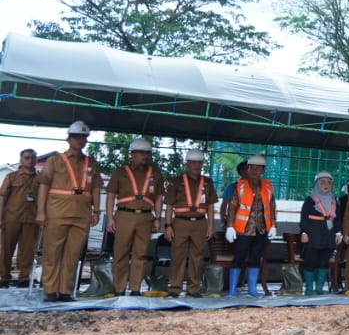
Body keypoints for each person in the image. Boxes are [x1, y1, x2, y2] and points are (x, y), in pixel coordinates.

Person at [35, 121, 102, 302]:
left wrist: (97, 211)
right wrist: (41, 212)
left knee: (72, 254)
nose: (81, 141)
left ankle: (65, 291)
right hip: (57, 213)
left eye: (84, 138)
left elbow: (96, 188)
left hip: (81, 214)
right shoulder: (55, 161)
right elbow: (43, 185)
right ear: (68, 139)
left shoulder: (91, 162)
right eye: (77, 137)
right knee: (52, 252)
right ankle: (50, 290)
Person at [105, 137, 164, 296]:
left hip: (145, 217)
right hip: (124, 215)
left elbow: (159, 197)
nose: (145, 156)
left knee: (141, 253)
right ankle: (119, 287)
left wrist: (158, 217)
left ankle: (135, 288)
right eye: (141, 153)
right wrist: (110, 218)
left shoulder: (155, 173)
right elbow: (110, 195)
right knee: (120, 252)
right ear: (132, 154)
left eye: (147, 153)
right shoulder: (120, 172)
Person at [162, 149, 216, 297]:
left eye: (199, 163)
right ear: (187, 164)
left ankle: (193, 289)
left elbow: (211, 206)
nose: (196, 166)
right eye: (193, 162)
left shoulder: (208, 182)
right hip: (180, 222)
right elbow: (169, 206)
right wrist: (167, 226)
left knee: (197, 257)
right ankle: (174, 288)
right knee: (178, 255)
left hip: (200, 223)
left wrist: (211, 226)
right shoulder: (177, 181)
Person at [225, 154, 277, 297]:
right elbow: (232, 206)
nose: (255, 170)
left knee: (255, 258)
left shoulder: (267, 186)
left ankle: (252, 289)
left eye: (258, 168)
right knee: (238, 258)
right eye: (252, 167)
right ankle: (232, 290)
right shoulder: (240, 186)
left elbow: (272, 206)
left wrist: (273, 225)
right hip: (243, 230)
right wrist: (230, 226)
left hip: (261, 229)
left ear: (263, 170)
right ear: (247, 169)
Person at [0, 148, 40, 288]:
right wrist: (0, 217)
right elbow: (2, 197)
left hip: (32, 220)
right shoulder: (11, 177)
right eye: (27, 157)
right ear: (21, 159)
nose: (30, 160)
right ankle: (4, 277)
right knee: (6, 249)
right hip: (12, 218)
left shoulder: (40, 178)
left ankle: (23, 278)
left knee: (27, 251)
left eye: (33, 157)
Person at [298, 171, 340, 296]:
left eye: (328, 183)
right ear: (317, 184)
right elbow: (304, 217)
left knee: (324, 262)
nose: (326, 185)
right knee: (310, 261)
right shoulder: (310, 200)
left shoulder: (334, 201)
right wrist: (304, 231)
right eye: (322, 182)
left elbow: (338, 219)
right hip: (313, 235)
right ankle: (309, 288)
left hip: (328, 236)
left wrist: (338, 232)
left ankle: (319, 288)